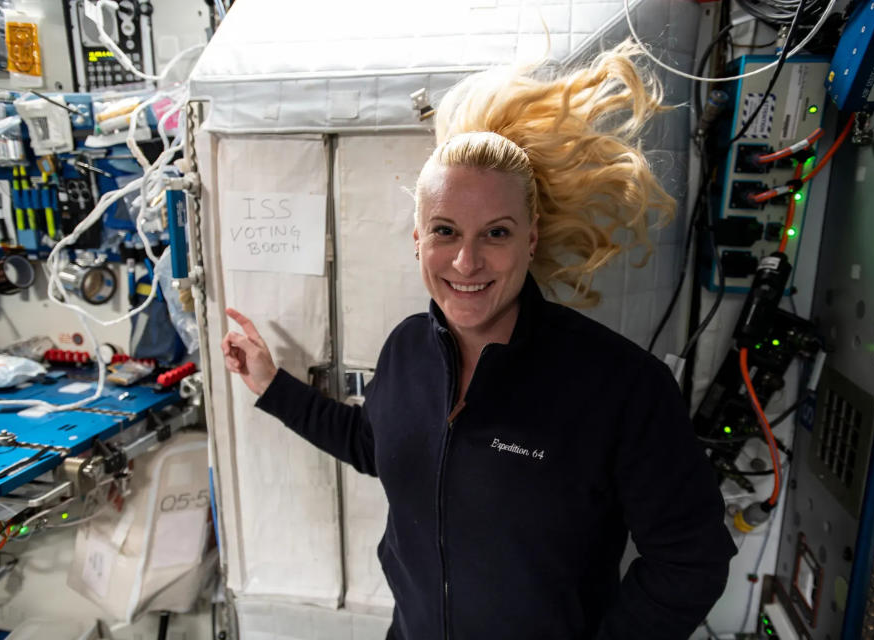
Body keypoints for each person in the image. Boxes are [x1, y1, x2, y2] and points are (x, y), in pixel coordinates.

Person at [222, 40, 737, 640]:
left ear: (531, 238)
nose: (467, 261)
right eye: (445, 230)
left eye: (495, 232)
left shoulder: (620, 387)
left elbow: (692, 561)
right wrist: (270, 385)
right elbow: (374, 444)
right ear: (418, 237)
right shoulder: (406, 350)